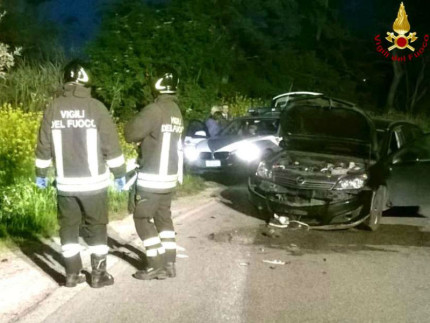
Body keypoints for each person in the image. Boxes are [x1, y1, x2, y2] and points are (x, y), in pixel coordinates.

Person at [35, 60, 126, 288]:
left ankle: (72, 275)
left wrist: (41, 173)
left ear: (66, 80)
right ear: (88, 81)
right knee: (97, 227)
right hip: (94, 185)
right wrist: (120, 173)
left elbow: (44, 144)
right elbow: (111, 145)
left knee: (68, 228)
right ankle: (98, 275)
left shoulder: (54, 107)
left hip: (66, 184)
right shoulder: (97, 108)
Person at [124, 67, 184, 280]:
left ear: (156, 85)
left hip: (151, 179)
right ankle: (169, 263)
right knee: (164, 220)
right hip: (168, 179)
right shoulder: (176, 111)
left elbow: (130, 133)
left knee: (141, 218)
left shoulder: (154, 110)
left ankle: (154, 263)